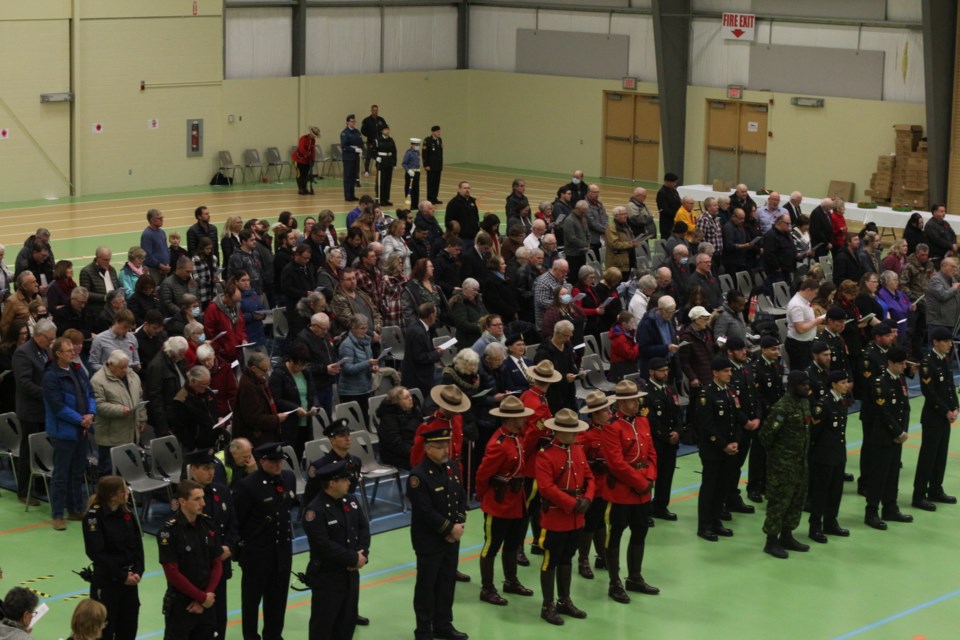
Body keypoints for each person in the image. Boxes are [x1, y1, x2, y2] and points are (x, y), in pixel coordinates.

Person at [408, 425, 468, 640]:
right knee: (427, 586)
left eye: (447, 445)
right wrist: (449, 529)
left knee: (446, 583)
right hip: (430, 540)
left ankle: (443, 624)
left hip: (452, 538)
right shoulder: (418, 476)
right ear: (428, 448)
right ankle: (423, 630)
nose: (446, 450)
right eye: (440, 446)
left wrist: (459, 525)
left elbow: (460, 497)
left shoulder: (452, 467)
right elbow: (425, 511)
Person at [535, 408, 594, 626]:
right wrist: (573, 504)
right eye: (572, 432)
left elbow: (589, 477)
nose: (576, 435)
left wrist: (587, 499)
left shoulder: (577, 449)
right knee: (551, 560)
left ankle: (564, 600)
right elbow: (546, 488)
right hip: (556, 517)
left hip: (576, 517)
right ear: (558, 432)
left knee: (567, 558)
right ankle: (547, 605)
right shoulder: (545, 455)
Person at [475, 396, 536, 606]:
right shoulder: (499, 444)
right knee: (491, 547)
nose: (524, 420)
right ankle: (487, 588)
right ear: (512, 419)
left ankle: (511, 581)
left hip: (516, 501)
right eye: (521, 417)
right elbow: (483, 475)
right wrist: (484, 496)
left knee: (511, 544)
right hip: (499, 503)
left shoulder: (515, 436)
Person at [602, 380, 658, 603]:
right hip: (622, 492)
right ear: (623, 402)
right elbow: (616, 464)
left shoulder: (643, 422)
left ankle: (635, 576)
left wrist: (650, 477)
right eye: (634, 399)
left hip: (643, 488)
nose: (638, 402)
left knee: (640, 531)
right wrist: (639, 482)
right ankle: (614, 582)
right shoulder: (612, 427)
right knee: (615, 534)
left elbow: (652, 453)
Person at [234, 443, 297, 640]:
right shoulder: (248, 485)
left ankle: (274, 635)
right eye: (273, 461)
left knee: (278, 601)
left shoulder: (289, 478)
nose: (278, 464)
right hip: (256, 555)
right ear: (261, 462)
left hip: (282, 552)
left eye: (280, 460)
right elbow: (238, 521)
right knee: (252, 603)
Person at [302, 458, 370, 640]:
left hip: (350, 576)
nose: (349, 482)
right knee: (324, 626)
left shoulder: (351, 500)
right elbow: (322, 545)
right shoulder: (315, 511)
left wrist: (362, 554)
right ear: (332, 483)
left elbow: (363, 528)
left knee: (347, 624)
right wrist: (352, 558)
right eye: (345, 480)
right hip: (328, 578)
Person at [157, 479, 222, 640]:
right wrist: (201, 597)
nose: (203, 503)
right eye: (197, 499)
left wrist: (206, 596)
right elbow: (172, 573)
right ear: (182, 502)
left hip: (207, 603)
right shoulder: (169, 531)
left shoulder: (208, 524)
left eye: (203, 498)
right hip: (181, 605)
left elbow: (217, 563)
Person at [758, 370, 813, 559]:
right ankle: (771, 541)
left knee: (797, 499)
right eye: (802, 385)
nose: (806, 387)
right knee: (779, 502)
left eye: (807, 384)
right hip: (782, 466)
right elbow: (765, 437)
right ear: (792, 386)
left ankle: (787, 535)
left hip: (800, 462)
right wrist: (780, 457)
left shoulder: (804, 402)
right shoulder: (781, 408)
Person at [184, 449, 237, 640]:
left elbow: (232, 523)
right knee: (195, 623)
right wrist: (215, 551)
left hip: (220, 566)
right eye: (206, 468)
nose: (211, 472)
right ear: (194, 469)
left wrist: (229, 547)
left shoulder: (221, 490)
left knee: (219, 618)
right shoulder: (185, 495)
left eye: (213, 468)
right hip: (196, 570)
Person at [81, 476, 144, 640]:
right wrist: (122, 576)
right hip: (108, 581)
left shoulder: (126, 512)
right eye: (123, 490)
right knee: (104, 630)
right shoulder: (93, 517)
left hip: (130, 581)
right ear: (111, 496)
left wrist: (138, 571)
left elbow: (137, 545)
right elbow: (96, 553)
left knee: (129, 626)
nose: (127, 493)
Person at [45, 336, 96, 530]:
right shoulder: (51, 376)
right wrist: (81, 420)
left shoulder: (77, 371)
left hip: (81, 430)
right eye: (69, 351)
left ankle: (75, 509)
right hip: (64, 432)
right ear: (58, 354)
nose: (74, 352)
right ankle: (57, 514)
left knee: (77, 472)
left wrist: (91, 413)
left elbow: (90, 393)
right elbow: (58, 407)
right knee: (61, 474)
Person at [694, 357, 744, 541]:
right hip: (713, 450)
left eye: (730, 371)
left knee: (722, 488)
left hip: (729, 449)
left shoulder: (730, 393)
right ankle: (704, 526)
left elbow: (736, 419)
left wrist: (736, 442)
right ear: (715, 373)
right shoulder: (707, 395)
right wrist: (724, 445)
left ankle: (716, 521)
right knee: (709, 488)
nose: (730, 374)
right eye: (726, 371)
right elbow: (707, 426)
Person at [863, 347, 913, 530]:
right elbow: (882, 412)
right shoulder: (880, 383)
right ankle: (871, 512)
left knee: (893, 474)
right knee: (879, 476)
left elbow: (904, 407)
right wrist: (898, 433)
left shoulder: (899, 379)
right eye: (901, 363)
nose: (904, 366)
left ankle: (890, 508)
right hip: (883, 437)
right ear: (890, 363)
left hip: (897, 436)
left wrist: (903, 431)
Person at [913, 327, 958, 511]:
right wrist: (946, 411)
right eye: (946, 341)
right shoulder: (927, 363)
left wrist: (955, 406)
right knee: (928, 457)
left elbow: (950, 386)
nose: (949, 345)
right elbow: (929, 393)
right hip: (933, 417)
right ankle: (919, 495)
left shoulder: (944, 360)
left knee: (940, 455)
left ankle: (935, 489)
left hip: (945, 416)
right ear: (935, 342)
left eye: (950, 341)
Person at [12, 317, 55, 505]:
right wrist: (47, 394)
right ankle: (23, 491)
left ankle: (39, 486)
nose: (51, 342)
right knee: (28, 451)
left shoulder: (43, 350)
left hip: (43, 409)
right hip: (30, 410)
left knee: (42, 450)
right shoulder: (23, 353)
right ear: (38, 336)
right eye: (49, 339)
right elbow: (24, 383)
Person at [808, 370, 852, 543]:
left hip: (838, 454)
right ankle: (815, 526)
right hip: (823, 456)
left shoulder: (841, 401)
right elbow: (815, 432)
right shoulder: (823, 404)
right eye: (842, 382)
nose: (846, 385)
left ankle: (830, 522)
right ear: (833, 385)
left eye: (847, 382)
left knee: (835, 491)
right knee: (821, 493)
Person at [90, 350, 146, 477]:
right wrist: (120, 410)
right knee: (109, 475)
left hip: (131, 433)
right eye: (122, 367)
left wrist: (142, 418)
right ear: (111, 365)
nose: (126, 370)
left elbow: (140, 398)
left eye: (127, 366)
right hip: (110, 437)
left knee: (128, 473)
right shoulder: (98, 380)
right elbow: (98, 406)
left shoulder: (132, 376)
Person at [643, 357, 681, 520]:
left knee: (667, 474)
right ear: (651, 372)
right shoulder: (646, 393)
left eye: (667, 370)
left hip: (672, 440)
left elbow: (678, 414)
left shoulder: (671, 390)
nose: (665, 373)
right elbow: (649, 420)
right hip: (655, 441)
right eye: (662, 370)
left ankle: (661, 506)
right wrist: (667, 435)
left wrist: (678, 431)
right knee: (651, 476)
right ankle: (645, 511)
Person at [268, 344, 317, 460]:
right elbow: (276, 400)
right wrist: (295, 408)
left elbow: (312, 393)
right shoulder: (278, 375)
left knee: (300, 452)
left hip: (305, 421)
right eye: (299, 364)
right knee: (289, 456)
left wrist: (314, 405)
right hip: (288, 424)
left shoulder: (305, 373)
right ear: (290, 360)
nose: (301, 368)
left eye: (304, 365)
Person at [233, 352, 287, 447]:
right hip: (256, 439)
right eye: (265, 370)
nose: (267, 373)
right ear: (253, 368)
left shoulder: (257, 381)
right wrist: (276, 419)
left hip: (264, 434)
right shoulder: (248, 386)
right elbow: (254, 418)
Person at [534, 319, 578, 415]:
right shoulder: (544, 353)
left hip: (569, 392)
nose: (568, 339)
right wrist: (564, 378)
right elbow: (544, 377)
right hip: (553, 395)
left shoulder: (567, 347)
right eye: (566, 336)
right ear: (557, 333)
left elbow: (571, 365)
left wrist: (576, 374)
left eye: (570, 335)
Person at [377, 386, 422, 471]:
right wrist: (415, 452)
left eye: (410, 396)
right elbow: (395, 444)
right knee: (427, 463)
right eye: (406, 398)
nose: (410, 399)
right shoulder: (388, 418)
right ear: (397, 402)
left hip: (415, 448)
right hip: (395, 454)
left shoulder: (415, 410)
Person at [203, 278, 247, 365]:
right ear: (226, 296)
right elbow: (210, 334)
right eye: (234, 301)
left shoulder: (236, 306)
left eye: (237, 302)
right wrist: (220, 350)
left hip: (237, 352)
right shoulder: (212, 309)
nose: (236, 304)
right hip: (222, 356)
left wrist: (244, 339)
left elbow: (241, 327)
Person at [79, 248, 121, 317]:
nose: (108, 262)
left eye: (109, 259)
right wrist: (105, 297)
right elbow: (85, 293)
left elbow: (117, 286)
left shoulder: (112, 270)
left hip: (114, 308)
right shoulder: (86, 271)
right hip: (97, 310)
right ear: (97, 258)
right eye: (105, 260)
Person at [139, 209, 170, 283]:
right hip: (154, 271)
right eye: (160, 218)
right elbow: (147, 256)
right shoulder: (147, 234)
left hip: (164, 270)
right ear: (152, 220)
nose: (162, 220)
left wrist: (167, 264)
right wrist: (161, 266)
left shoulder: (162, 232)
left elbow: (166, 250)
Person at [340, 114, 363, 201]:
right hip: (348, 157)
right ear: (347, 122)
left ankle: (352, 194)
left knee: (354, 176)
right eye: (351, 121)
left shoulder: (357, 132)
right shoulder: (345, 133)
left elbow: (360, 142)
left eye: (354, 121)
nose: (353, 123)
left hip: (356, 157)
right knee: (348, 176)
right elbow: (344, 146)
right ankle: (347, 195)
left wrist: (361, 149)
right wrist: (354, 150)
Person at [293, 126, 320, 195]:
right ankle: (300, 189)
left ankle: (305, 188)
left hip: (307, 160)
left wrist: (313, 159)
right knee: (300, 175)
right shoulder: (303, 138)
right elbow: (301, 149)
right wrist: (307, 155)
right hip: (299, 159)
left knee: (305, 175)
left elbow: (313, 150)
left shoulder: (313, 140)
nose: (315, 136)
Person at [422, 125, 444, 205]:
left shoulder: (439, 140)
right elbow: (425, 154)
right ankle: (430, 198)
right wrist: (425, 165)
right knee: (430, 182)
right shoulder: (427, 140)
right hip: (430, 166)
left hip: (438, 165)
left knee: (436, 182)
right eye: (437, 131)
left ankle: (435, 198)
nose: (439, 133)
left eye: (439, 131)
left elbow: (440, 153)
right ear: (433, 132)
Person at [656, 173, 681, 239]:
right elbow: (664, 209)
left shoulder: (674, 191)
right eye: (674, 182)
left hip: (675, 221)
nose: (675, 184)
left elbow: (679, 203)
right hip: (667, 223)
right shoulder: (662, 193)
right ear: (667, 182)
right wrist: (677, 214)